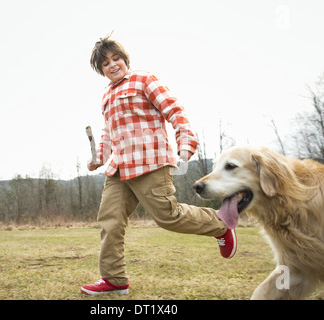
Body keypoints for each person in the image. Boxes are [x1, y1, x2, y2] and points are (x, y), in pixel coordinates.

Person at [81, 35, 236, 295]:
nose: (112, 64)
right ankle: (115, 280)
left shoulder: (144, 79)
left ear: (124, 59)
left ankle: (220, 225)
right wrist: (98, 157)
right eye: (105, 63)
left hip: (150, 163)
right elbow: (108, 133)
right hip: (118, 170)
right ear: (101, 70)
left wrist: (185, 148)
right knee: (110, 222)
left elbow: (175, 112)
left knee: (168, 217)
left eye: (116, 58)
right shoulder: (106, 95)